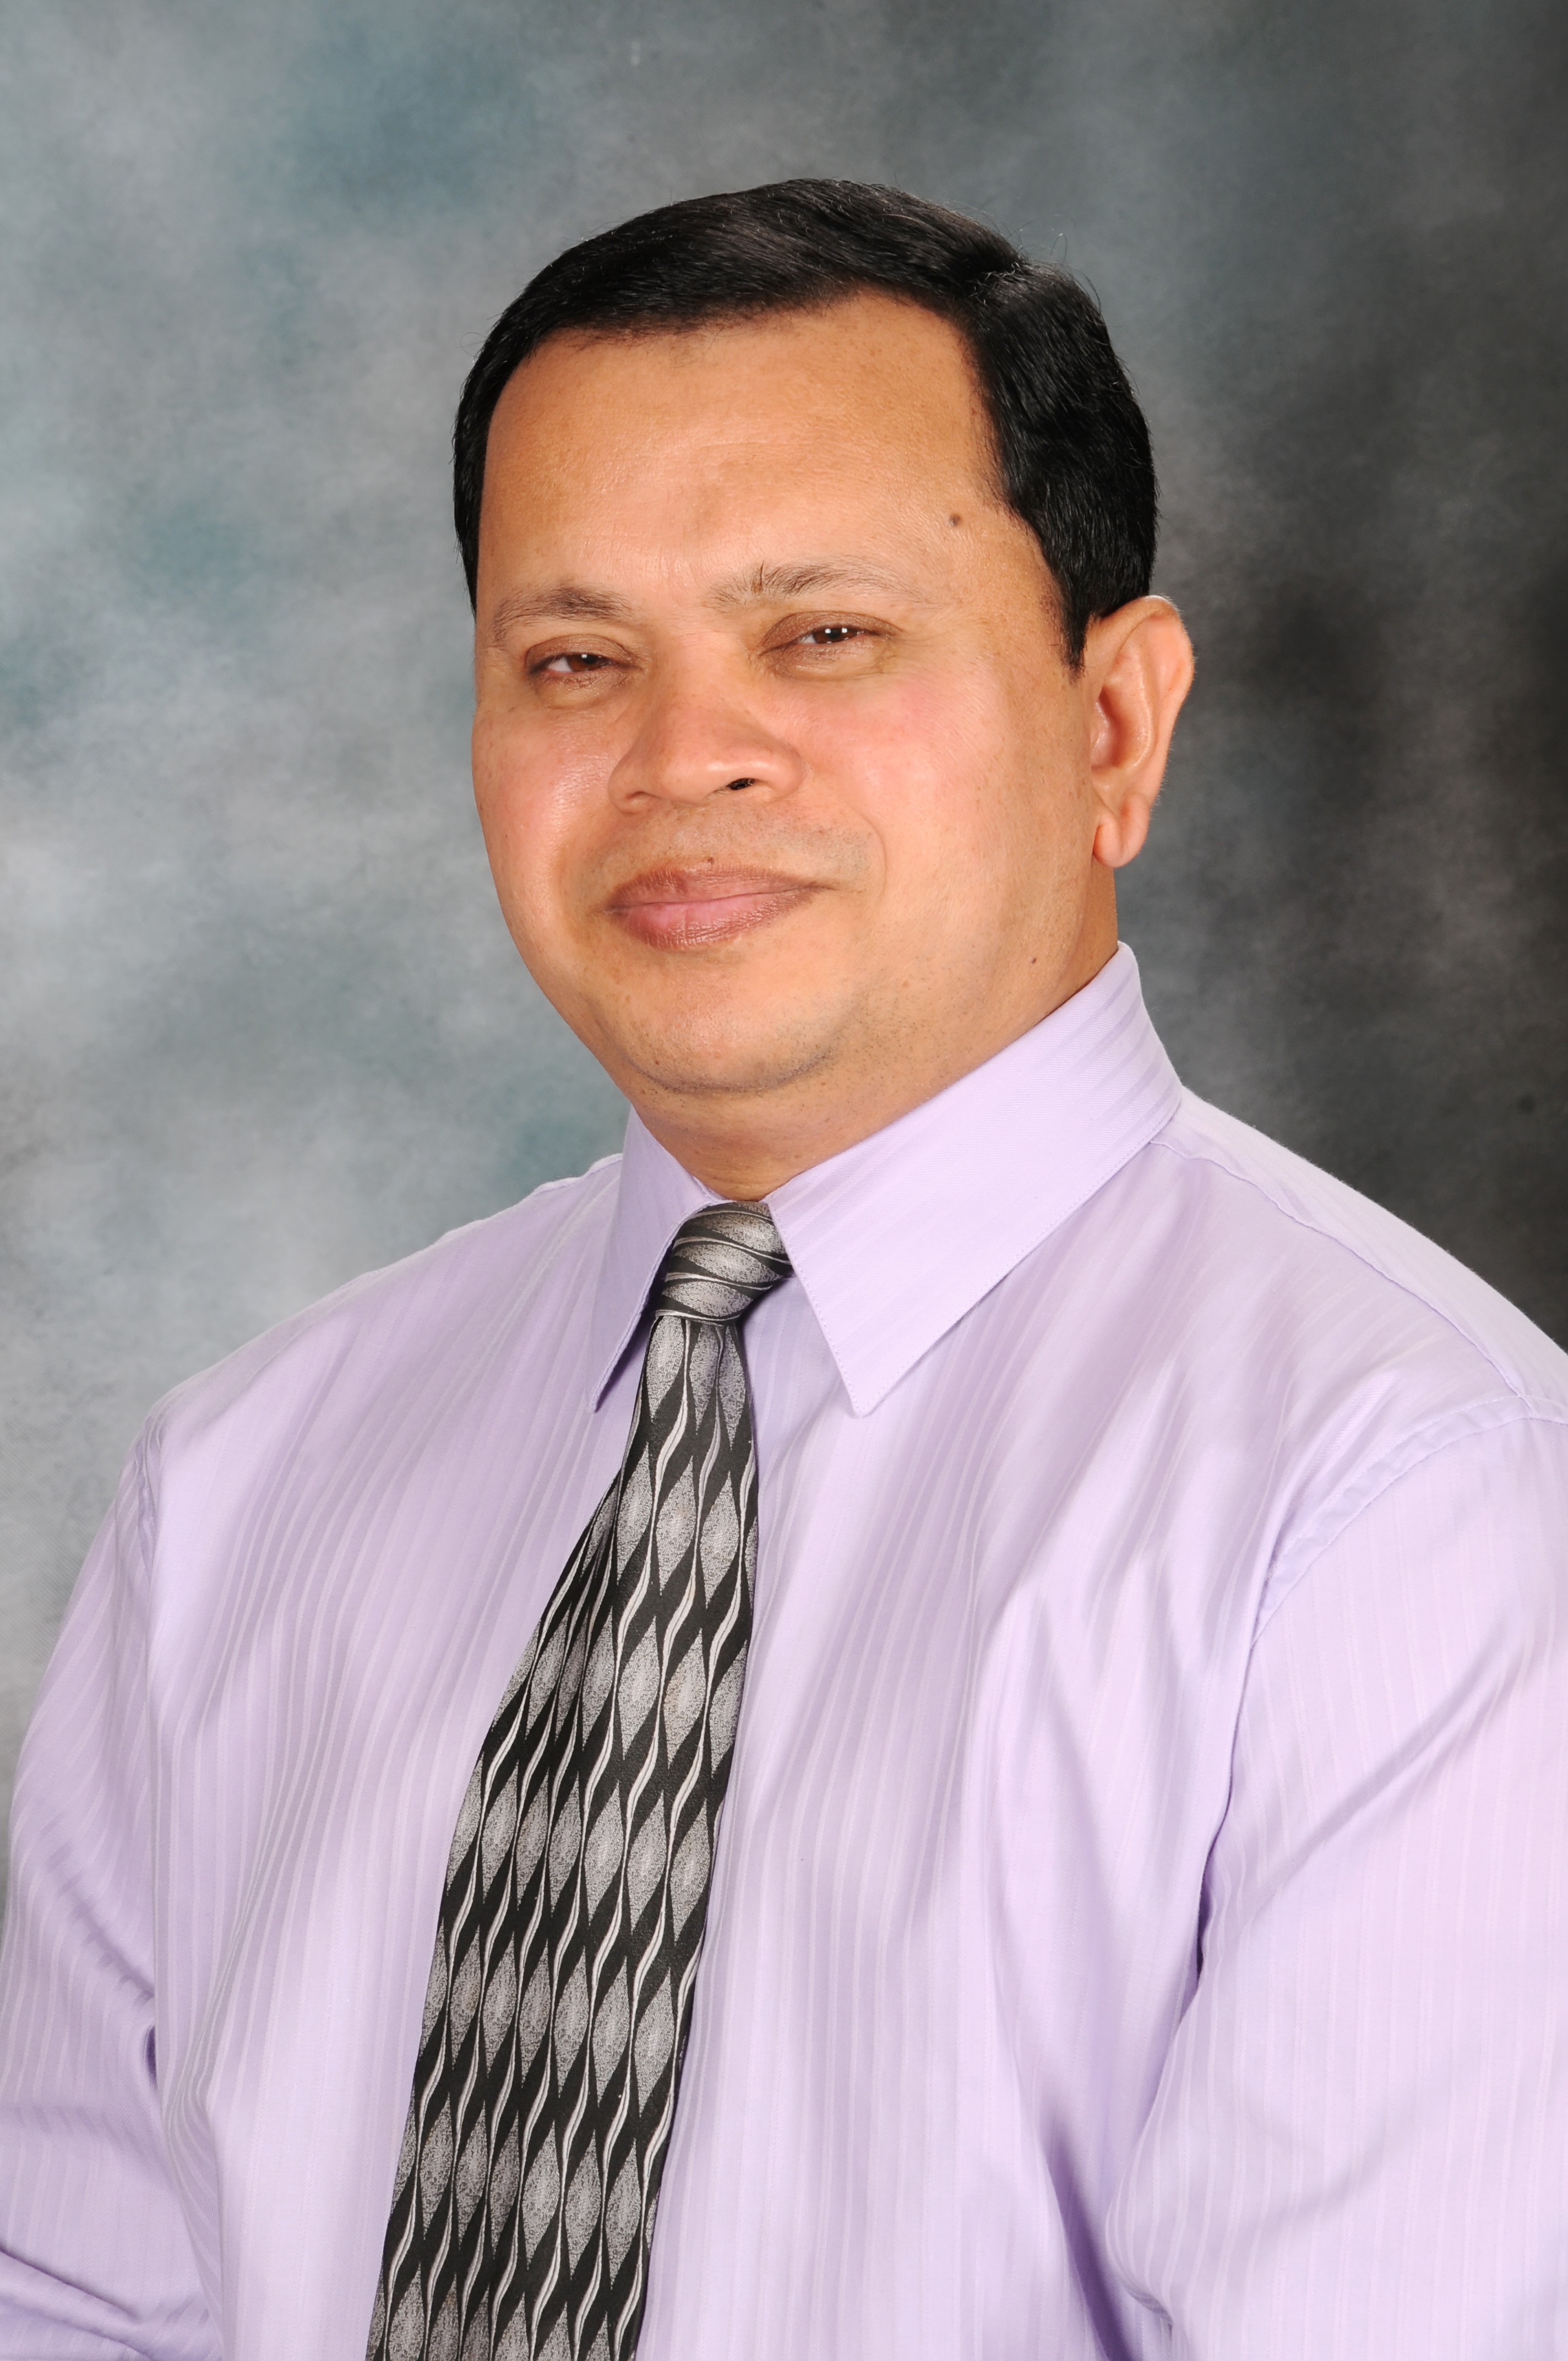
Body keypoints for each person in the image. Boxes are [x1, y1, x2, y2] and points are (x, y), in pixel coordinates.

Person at [1, 178, 1564, 2361]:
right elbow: (72, 2301)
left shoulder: (1410, 1502)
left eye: (822, 635)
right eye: (575, 661)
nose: (682, 759)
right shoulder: (245, 1490)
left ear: (1114, 725)